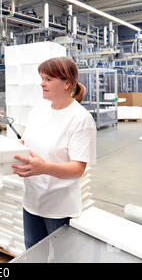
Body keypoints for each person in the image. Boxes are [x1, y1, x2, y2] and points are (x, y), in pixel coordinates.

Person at [11, 56, 96, 250]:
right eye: (42, 78)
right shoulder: (39, 110)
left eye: (48, 79)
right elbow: (30, 142)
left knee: (63, 258)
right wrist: (18, 147)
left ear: (67, 83)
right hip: (31, 201)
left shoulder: (80, 118)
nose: (42, 83)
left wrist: (45, 168)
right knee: (33, 255)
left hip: (59, 208)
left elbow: (77, 168)